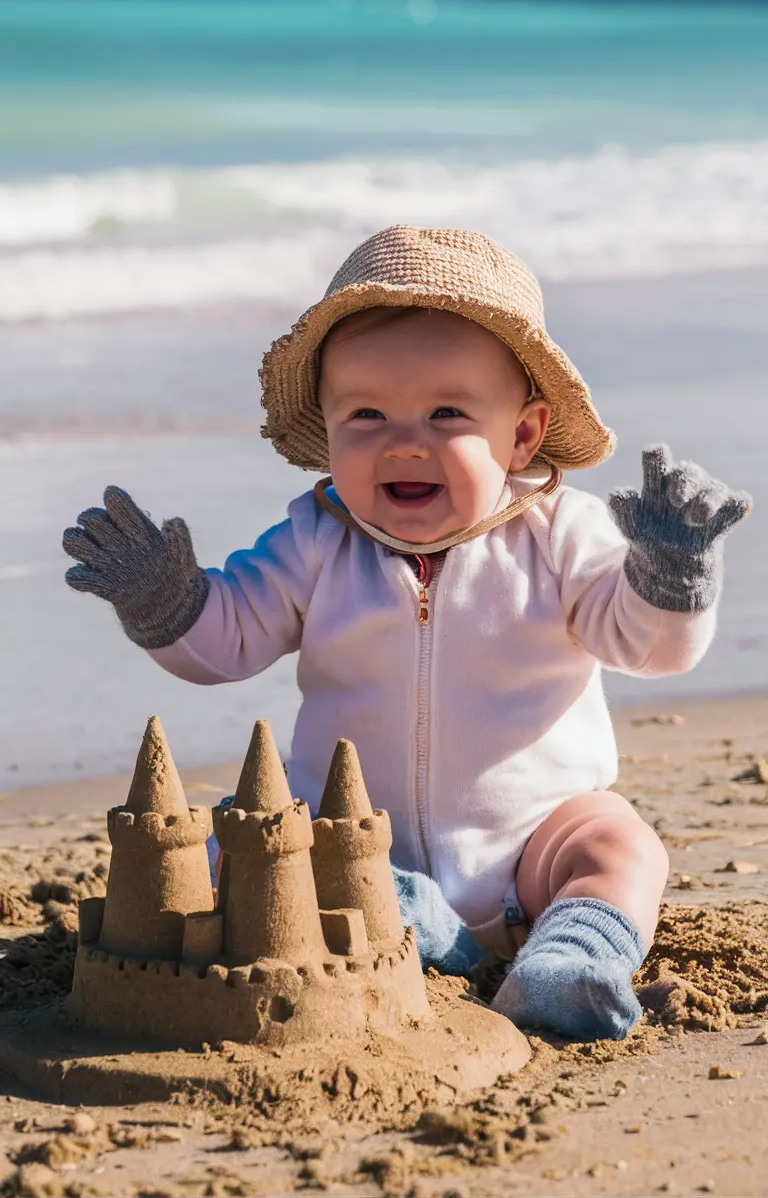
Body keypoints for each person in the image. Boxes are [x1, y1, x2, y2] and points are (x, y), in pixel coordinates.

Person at [62, 225, 751, 1041]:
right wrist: (164, 599)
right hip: (353, 845)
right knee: (243, 839)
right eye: (367, 414)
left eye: (447, 412)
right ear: (327, 424)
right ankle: (416, 927)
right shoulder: (316, 537)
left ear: (522, 435)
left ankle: (571, 958)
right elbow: (228, 640)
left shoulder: (563, 533)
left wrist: (669, 572)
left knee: (620, 842)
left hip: (537, 843)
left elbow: (650, 646)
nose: (403, 440)